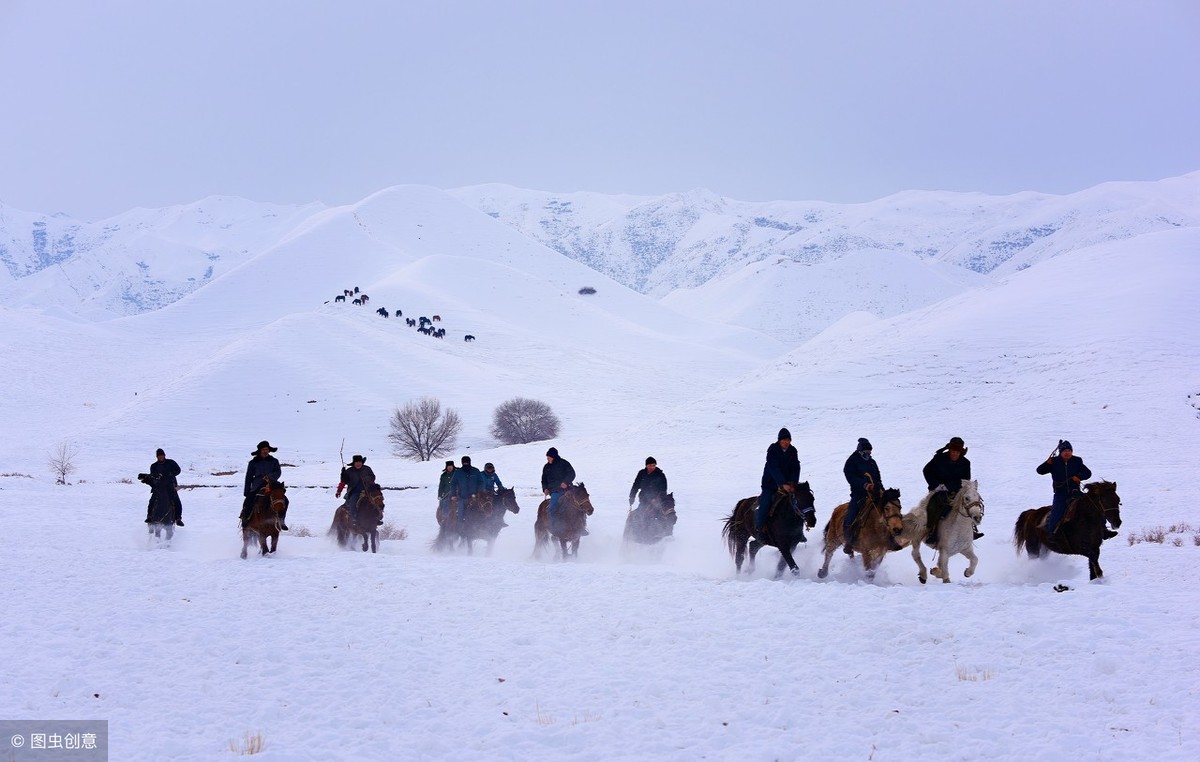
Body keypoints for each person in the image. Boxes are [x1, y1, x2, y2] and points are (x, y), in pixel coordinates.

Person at [921, 437, 981, 544]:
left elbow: (965, 481)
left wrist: (949, 487)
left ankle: (971, 529)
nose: (954, 454)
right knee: (933, 506)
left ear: (961, 452)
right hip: (937, 490)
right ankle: (932, 532)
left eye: (957, 452)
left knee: (969, 503)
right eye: (953, 451)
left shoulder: (966, 463)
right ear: (949, 450)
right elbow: (926, 470)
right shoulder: (939, 458)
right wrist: (936, 485)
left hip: (956, 491)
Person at [1036, 439, 1092, 534]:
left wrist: (1079, 476)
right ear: (1061, 452)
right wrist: (1047, 463)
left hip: (1075, 492)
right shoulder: (1053, 461)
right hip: (1060, 493)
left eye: (1069, 451)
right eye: (1065, 451)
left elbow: (1088, 473)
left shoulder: (1077, 461)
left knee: (1093, 504)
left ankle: (1104, 530)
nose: (1067, 453)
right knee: (1057, 513)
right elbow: (1040, 471)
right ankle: (1051, 533)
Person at [755, 428, 800, 533]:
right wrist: (782, 483)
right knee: (765, 502)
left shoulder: (793, 451)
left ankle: (798, 531)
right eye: (783, 440)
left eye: (788, 440)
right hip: (770, 484)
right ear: (779, 440)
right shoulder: (773, 450)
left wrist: (793, 483)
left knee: (797, 503)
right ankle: (760, 528)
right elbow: (773, 468)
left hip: (788, 485)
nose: (786, 442)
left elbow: (796, 467)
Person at [843, 437, 882, 552]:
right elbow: (851, 477)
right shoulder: (852, 461)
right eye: (866, 452)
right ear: (860, 451)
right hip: (859, 493)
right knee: (851, 515)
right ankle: (849, 541)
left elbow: (878, 477)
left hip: (874, 493)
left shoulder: (872, 462)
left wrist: (880, 488)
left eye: (870, 452)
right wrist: (864, 485)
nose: (869, 454)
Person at [241, 440, 287, 530]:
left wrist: (269, 477)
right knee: (248, 501)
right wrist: (247, 491)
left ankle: (281, 520)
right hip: (257, 484)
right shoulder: (253, 463)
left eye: (266, 449)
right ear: (260, 451)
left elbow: (278, 472)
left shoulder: (274, 461)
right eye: (263, 449)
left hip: (272, 484)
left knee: (285, 500)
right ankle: (246, 520)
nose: (265, 451)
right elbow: (249, 477)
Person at [143, 447, 184, 526]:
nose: (161, 457)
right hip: (158, 487)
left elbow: (178, 470)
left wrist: (171, 474)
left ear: (164, 455)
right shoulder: (154, 466)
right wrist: (154, 478)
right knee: (152, 501)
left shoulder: (171, 462)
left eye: (162, 455)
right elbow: (153, 476)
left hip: (170, 486)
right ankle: (150, 516)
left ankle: (178, 518)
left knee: (177, 502)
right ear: (157, 457)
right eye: (159, 456)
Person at [541, 447, 577, 534]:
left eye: (549, 457)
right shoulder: (546, 467)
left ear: (553, 456)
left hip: (567, 490)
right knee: (552, 507)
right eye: (547, 457)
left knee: (578, 505)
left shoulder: (564, 463)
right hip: (555, 491)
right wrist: (545, 488)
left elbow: (572, 473)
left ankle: (580, 527)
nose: (547, 459)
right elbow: (544, 480)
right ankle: (554, 528)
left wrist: (566, 482)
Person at [336, 454, 380, 524]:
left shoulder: (367, 469)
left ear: (362, 462)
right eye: (356, 462)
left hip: (367, 491)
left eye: (360, 462)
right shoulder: (349, 471)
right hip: (355, 491)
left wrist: (368, 480)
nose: (358, 464)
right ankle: (354, 518)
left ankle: (377, 518)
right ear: (354, 463)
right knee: (352, 502)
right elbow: (344, 482)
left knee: (376, 501)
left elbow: (373, 477)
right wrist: (339, 490)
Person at [449, 455, 484, 523]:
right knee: (460, 513)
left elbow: (481, 482)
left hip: (475, 497)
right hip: (462, 497)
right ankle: (460, 528)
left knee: (482, 510)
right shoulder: (458, 472)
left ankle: (484, 526)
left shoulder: (475, 471)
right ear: (462, 463)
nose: (466, 464)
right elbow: (453, 483)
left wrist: (479, 492)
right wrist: (453, 494)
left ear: (470, 462)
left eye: (467, 462)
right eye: (464, 463)